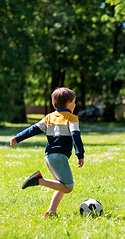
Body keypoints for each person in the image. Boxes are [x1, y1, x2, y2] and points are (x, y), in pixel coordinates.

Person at [10, 87, 85, 217]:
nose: (75, 104)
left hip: (49, 156)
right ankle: (39, 181)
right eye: (74, 101)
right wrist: (80, 154)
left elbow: (33, 129)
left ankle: (51, 212)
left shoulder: (49, 117)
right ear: (68, 102)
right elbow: (75, 136)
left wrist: (18, 138)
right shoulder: (72, 118)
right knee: (68, 187)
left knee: (60, 185)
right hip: (59, 157)